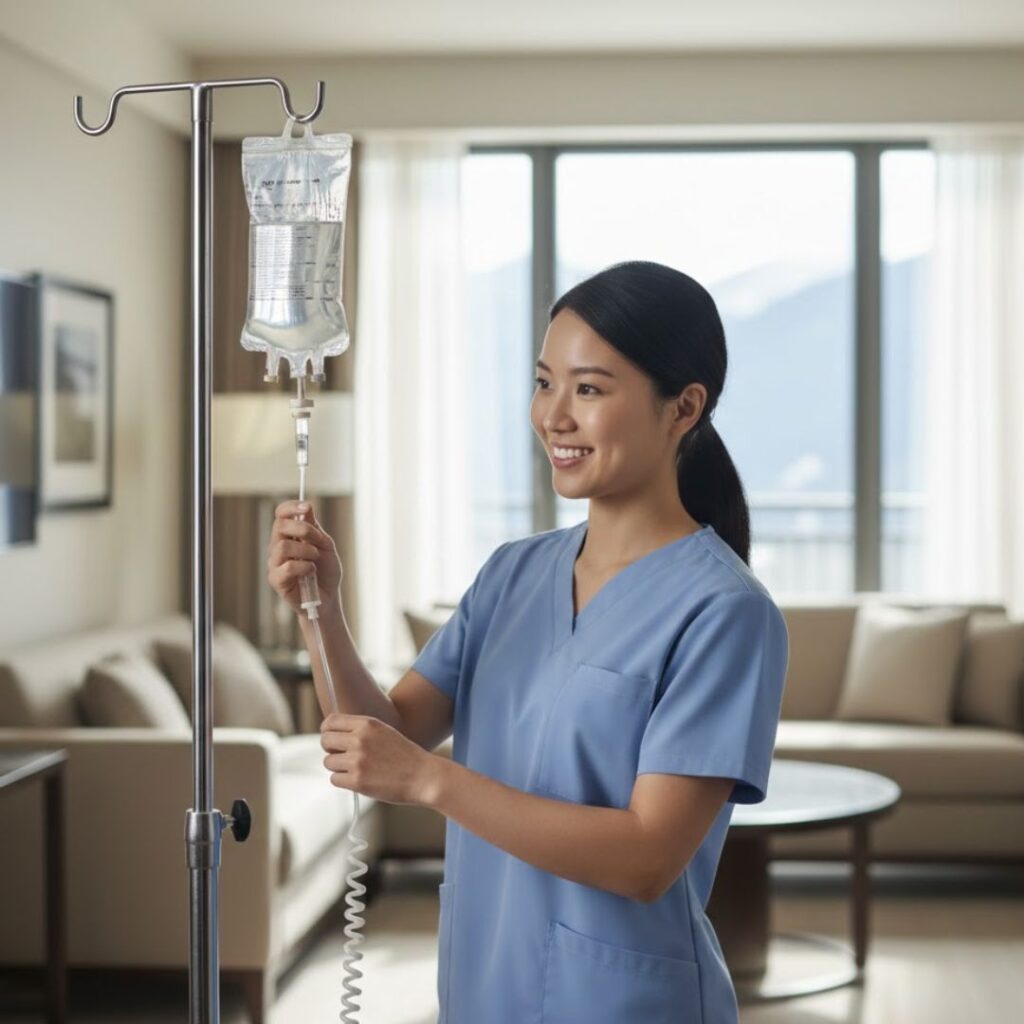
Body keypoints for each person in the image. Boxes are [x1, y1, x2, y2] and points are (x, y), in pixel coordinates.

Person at [267, 260, 790, 1024]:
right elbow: (383, 739)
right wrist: (320, 607)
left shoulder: (725, 612)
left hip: (624, 1001)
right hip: (485, 985)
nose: (553, 416)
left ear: (683, 408)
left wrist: (432, 783)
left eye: (590, 388)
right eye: (545, 382)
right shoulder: (512, 575)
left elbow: (648, 857)